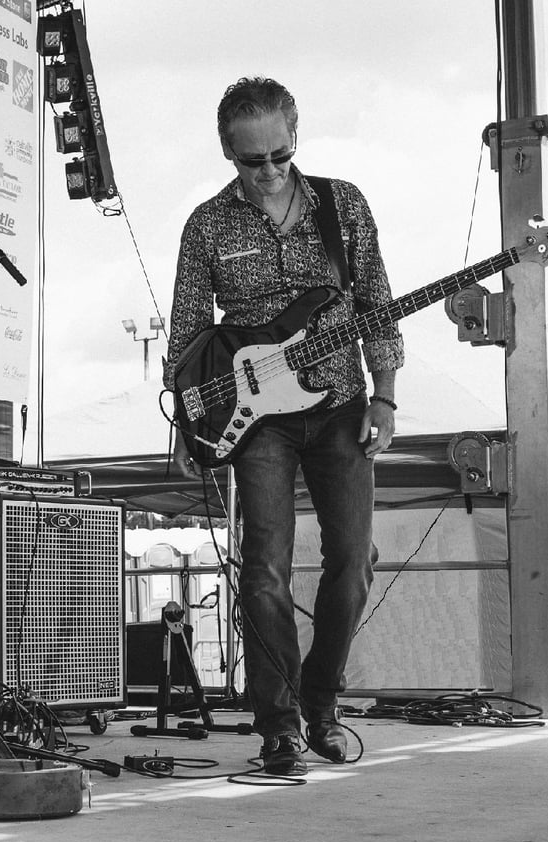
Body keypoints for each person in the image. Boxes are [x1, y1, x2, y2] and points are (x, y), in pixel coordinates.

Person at [163, 76, 404, 776]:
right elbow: (187, 335)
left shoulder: (343, 204)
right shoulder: (208, 224)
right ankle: (279, 725)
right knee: (263, 569)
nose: (268, 170)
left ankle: (322, 703)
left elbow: (377, 304)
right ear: (227, 152)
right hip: (256, 420)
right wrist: (187, 425)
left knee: (354, 561)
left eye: (280, 154)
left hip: (340, 405)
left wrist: (385, 397)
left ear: (295, 138)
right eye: (252, 159)